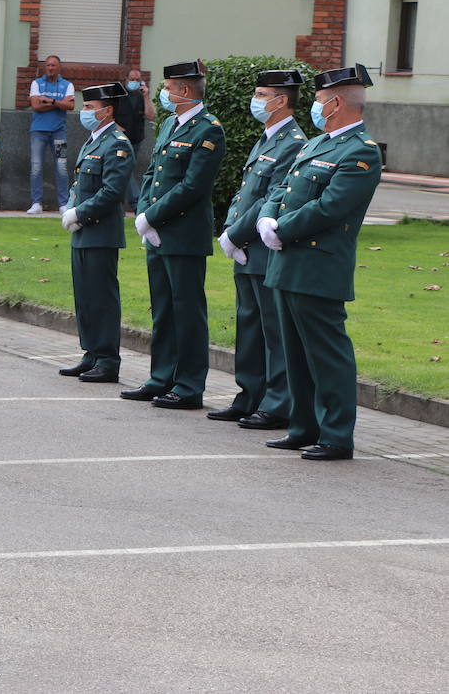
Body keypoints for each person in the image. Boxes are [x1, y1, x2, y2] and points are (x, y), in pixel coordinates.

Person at [258, 65, 381, 461]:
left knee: (327, 353)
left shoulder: (361, 152)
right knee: (295, 352)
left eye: (318, 100)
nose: (314, 106)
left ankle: (336, 434)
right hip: (288, 261)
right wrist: (266, 217)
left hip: (318, 264)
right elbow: (283, 188)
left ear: (336, 103)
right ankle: (304, 426)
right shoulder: (315, 145)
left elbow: (330, 207)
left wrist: (282, 228)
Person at [122, 60, 226, 410]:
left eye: (168, 88)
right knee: (163, 309)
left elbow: (193, 185)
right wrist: (143, 212)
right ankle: (160, 377)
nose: (164, 94)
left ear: (183, 91)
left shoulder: (208, 129)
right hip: (158, 232)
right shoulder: (170, 124)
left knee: (187, 311)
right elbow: (153, 171)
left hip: (183, 233)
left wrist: (153, 215)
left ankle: (189, 385)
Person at [209, 70, 308, 427]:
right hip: (245, 246)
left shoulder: (292, 142)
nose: (256, 100)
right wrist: (230, 230)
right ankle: (249, 396)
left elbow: (272, 199)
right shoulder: (267, 138)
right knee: (249, 327)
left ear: (281, 100)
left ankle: (278, 403)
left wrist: (237, 234)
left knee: (273, 330)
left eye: (261, 94)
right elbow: (245, 192)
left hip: (262, 247)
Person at [57, 83, 134, 383]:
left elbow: (112, 191)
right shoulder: (94, 141)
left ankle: (107, 359)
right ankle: (90, 353)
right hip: (83, 232)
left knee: (102, 298)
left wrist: (81, 213)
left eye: (89, 107)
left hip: (101, 232)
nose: (84, 112)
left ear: (107, 111)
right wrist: (72, 207)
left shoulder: (117, 143)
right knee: (85, 297)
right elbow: (80, 184)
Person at [27, 55, 73, 214]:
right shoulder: (36, 83)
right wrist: (59, 104)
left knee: (61, 166)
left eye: (53, 65)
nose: (50, 68)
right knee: (36, 167)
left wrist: (50, 101)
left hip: (59, 132)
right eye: (48, 65)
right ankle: (36, 203)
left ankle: (63, 204)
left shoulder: (67, 85)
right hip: (38, 131)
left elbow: (70, 106)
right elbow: (35, 106)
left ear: (59, 67)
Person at [115, 68, 155, 213]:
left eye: (137, 80)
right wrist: (116, 126)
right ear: (126, 79)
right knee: (125, 169)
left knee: (123, 171)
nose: (134, 82)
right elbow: (109, 113)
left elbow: (150, 116)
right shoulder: (119, 94)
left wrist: (146, 96)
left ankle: (118, 205)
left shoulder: (141, 96)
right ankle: (137, 203)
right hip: (120, 140)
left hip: (135, 139)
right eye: (132, 79)